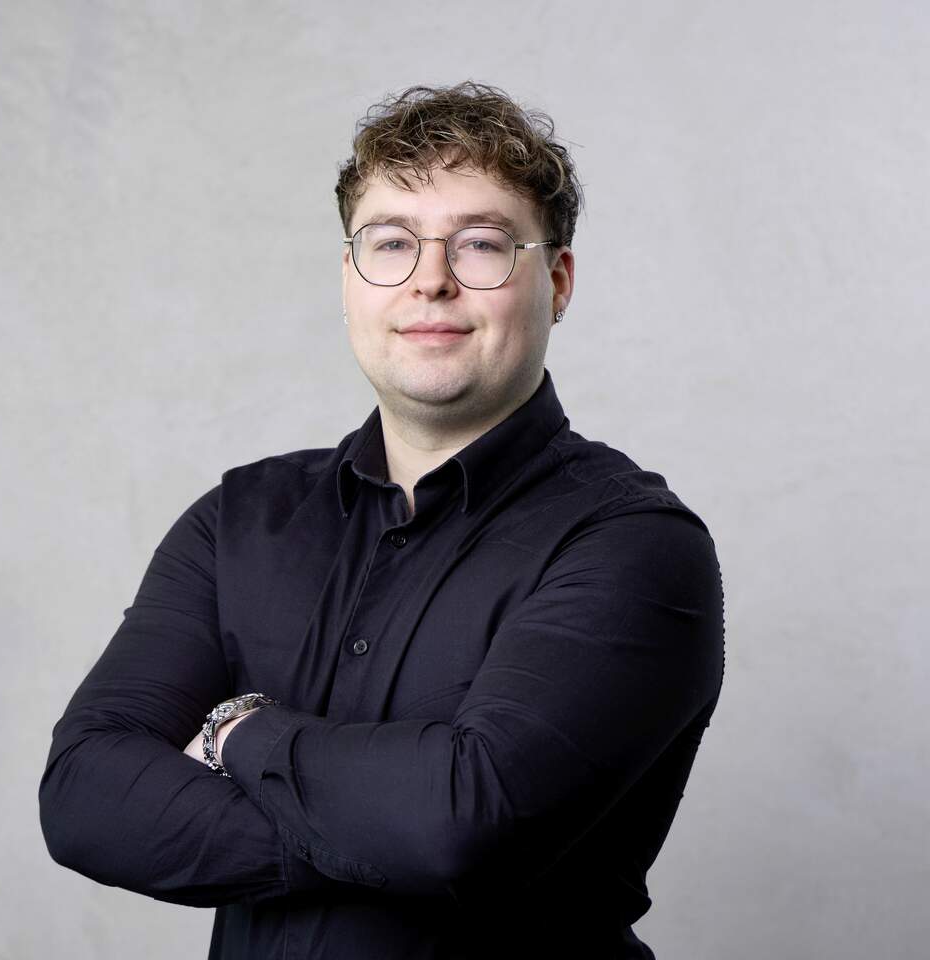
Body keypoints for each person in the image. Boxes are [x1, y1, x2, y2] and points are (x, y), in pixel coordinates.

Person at [39, 81, 725, 960]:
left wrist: (237, 732)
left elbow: (460, 827)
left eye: (481, 244)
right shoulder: (236, 522)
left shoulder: (635, 544)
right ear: (349, 279)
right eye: (392, 243)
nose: (430, 280)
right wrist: (383, 837)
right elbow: (83, 795)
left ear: (556, 283)